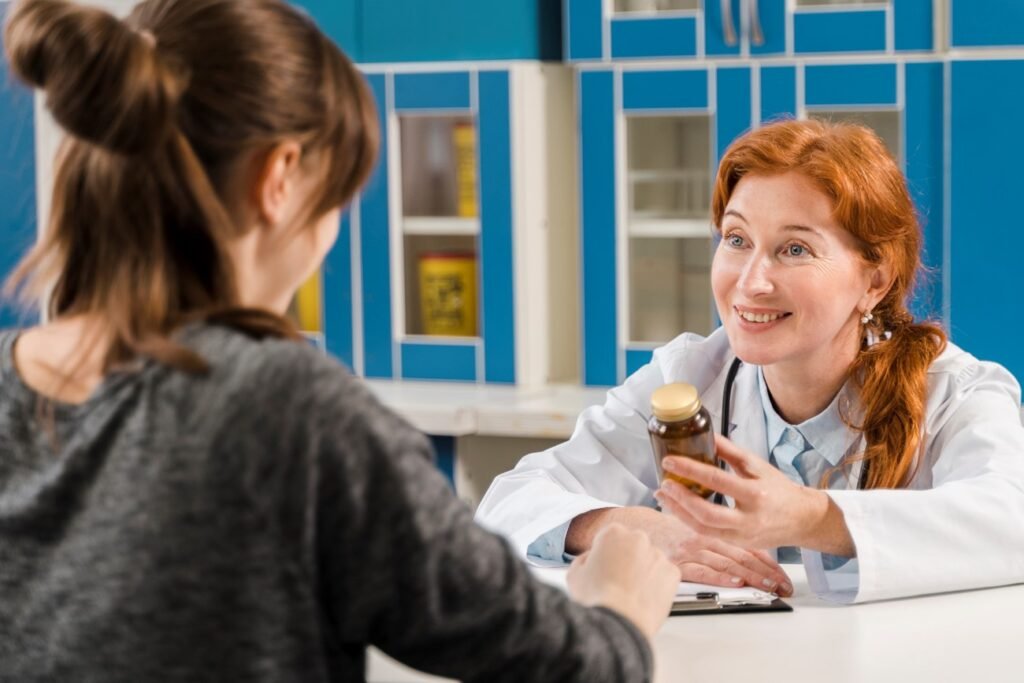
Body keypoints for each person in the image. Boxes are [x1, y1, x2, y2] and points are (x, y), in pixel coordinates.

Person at [0, 1, 681, 681]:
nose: (327, 241)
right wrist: (619, 604)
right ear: (279, 177)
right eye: (335, 200)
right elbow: (573, 664)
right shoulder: (288, 409)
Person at [477, 118, 1024, 604]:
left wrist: (813, 518)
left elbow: (1009, 523)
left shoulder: (957, 394)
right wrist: (631, 527)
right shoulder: (689, 376)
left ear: (874, 280)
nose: (751, 282)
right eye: (737, 239)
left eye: (795, 249)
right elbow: (509, 500)